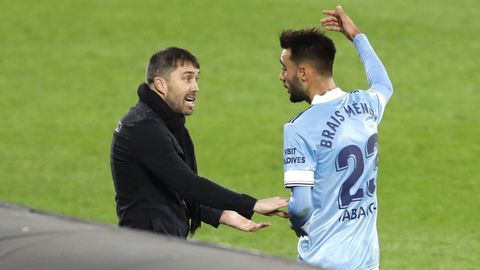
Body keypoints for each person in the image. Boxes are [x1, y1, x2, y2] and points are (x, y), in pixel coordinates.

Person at [111, 47, 288, 238]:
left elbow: (170, 190)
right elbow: (186, 184)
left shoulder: (164, 122)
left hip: (158, 242)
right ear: (161, 85)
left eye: (196, 78)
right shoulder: (143, 127)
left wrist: (223, 214)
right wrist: (253, 204)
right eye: (187, 78)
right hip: (147, 248)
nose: (195, 87)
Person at [279, 6, 393, 270]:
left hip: (322, 260)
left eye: (285, 68)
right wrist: (357, 36)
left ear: (304, 73)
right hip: (366, 261)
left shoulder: (299, 128)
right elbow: (383, 84)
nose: (282, 77)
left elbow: (301, 208)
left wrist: (297, 222)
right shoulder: (366, 106)